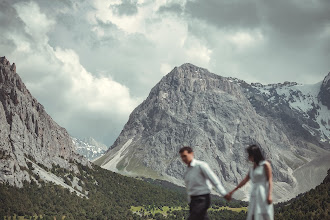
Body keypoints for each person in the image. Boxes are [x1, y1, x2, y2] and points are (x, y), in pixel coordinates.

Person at [179, 146, 229, 220]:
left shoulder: (201, 165)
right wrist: (190, 201)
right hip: (193, 201)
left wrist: (223, 193)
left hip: (202, 198)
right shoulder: (187, 171)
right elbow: (189, 188)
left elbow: (214, 179)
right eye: (182, 157)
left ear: (191, 154)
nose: (183, 159)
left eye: (185, 156)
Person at [226, 144, 274, 220]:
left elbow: (270, 180)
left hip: (263, 193)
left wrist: (269, 195)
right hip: (254, 194)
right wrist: (232, 191)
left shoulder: (265, 165)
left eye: (250, 155)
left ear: (254, 155)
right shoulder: (252, 168)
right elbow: (244, 181)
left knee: (263, 215)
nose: (248, 157)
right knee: (253, 215)